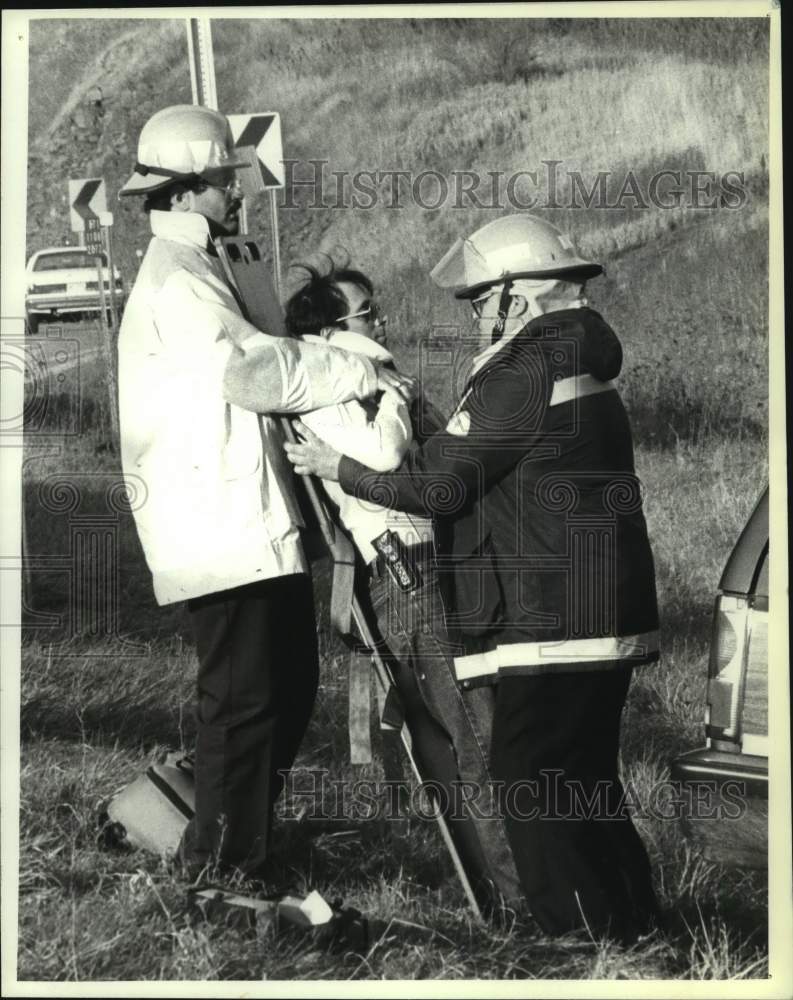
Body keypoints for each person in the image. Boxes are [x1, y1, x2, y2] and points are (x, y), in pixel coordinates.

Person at [284, 214, 662, 941]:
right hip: (602, 609)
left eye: (481, 299)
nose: (476, 315)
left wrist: (342, 469)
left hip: (549, 617)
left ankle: (576, 942)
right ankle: (633, 929)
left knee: (527, 781)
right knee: (585, 781)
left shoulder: (523, 369)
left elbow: (439, 485)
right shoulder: (577, 355)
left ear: (517, 295)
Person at [116, 104, 415, 880]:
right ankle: (222, 866)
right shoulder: (178, 280)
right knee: (245, 700)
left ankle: (230, 838)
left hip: (250, 522)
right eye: (223, 180)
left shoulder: (210, 261)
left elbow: (264, 352)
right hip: (219, 527)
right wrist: (359, 367)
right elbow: (256, 372)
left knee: (285, 686)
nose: (236, 191)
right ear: (185, 191)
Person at [284, 258, 522, 910]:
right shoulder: (328, 390)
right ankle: (521, 902)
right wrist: (390, 391)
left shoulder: (367, 384)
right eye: (366, 314)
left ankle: (515, 888)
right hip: (407, 574)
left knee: (483, 733)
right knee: (477, 739)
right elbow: (386, 456)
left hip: (436, 566)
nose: (380, 321)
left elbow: (443, 459)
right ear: (330, 333)